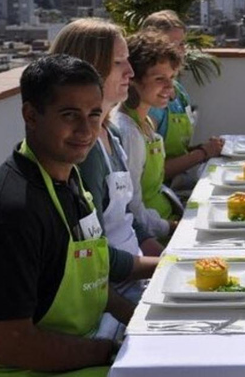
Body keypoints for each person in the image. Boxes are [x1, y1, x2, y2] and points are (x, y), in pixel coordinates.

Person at [0, 55, 134, 375]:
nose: (86, 129)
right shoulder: (9, 213)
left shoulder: (70, 180)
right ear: (31, 115)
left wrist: (140, 320)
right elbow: (12, 345)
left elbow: (94, 283)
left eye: (94, 114)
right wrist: (108, 351)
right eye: (70, 115)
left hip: (83, 344)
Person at [50, 19, 162, 302]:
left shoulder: (111, 132)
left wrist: (160, 254)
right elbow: (94, 257)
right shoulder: (83, 154)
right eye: (119, 63)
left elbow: (126, 217)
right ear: (88, 68)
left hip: (136, 275)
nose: (131, 71)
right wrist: (165, 266)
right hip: (116, 293)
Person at [142, 10, 223, 191]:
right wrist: (203, 153)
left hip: (178, 185)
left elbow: (177, 151)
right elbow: (152, 172)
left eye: (182, 44)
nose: (181, 51)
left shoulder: (179, 91)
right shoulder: (150, 104)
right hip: (159, 193)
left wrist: (205, 148)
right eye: (172, 45)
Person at [113, 31, 183, 239]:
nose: (170, 87)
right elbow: (133, 208)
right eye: (159, 79)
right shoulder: (128, 132)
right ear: (133, 79)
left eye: (171, 78)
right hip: (155, 235)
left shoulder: (146, 122)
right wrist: (170, 227)